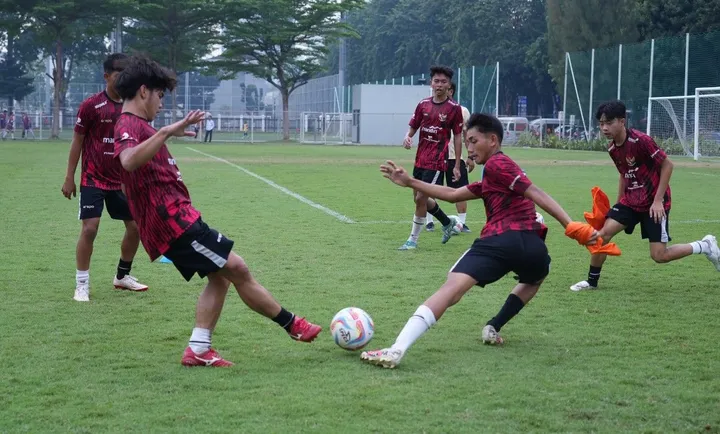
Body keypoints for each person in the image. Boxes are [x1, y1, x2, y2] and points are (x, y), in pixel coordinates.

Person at [112, 54, 322, 367]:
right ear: (144, 91)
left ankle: (198, 348)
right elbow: (128, 161)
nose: (160, 102)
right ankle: (292, 324)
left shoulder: (142, 126)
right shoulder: (130, 124)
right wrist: (167, 132)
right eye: (159, 95)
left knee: (220, 276)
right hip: (174, 222)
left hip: (176, 218)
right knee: (238, 269)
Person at [361, 113, 591, 369]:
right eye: (467, 142)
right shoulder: (494, 176)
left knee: (450, 291)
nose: (468, 148)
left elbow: (535, 192)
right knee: (535, 277)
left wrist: (570, 225)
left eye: (473, 141)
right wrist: (410, 182)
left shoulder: (497, 165)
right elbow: (452, 194)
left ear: (493, 140)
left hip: (500, 241)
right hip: (534, 247)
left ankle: (397, 349)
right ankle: (493, 326)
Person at [570, 100, 720, 292]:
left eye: (608, 122)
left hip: (654, 202)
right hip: (630, 201)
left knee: (659, 255)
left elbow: (668, 165)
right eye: (601, 123)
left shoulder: (641, 141)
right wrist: (618, 205)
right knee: (601, 235)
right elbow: (624, 174)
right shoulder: (612, 149)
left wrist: (658, 201)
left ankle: (704, 245)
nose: (604, 128)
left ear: (622, 121)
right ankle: (591, 282)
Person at [61, 53, 148, 302]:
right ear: (107, 75)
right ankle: (82, 284)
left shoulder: (133, 107)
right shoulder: (91, 105)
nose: (123, 78)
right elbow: (77, 141)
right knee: (90, 229)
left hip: (122, 180)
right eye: (119, 73)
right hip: (93, 178)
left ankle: (122, 276)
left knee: (136, 227)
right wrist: (69, 177)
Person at [399, 65, 465, 250]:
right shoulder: (423, 104)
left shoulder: (454, 109)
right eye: (436, 81)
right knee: (418, 199)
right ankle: (447, 222)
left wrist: (457, 164)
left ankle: (412, 240)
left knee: (421, 198)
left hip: (437, 161)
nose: (439, 85)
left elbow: (458, 136)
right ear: (431, 83)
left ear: (449, 85)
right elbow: (415, 125)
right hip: (420, 159)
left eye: (443, 82)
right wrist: (408, 136)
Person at [426, 81, 473, 233]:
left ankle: (462, 223)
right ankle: (429, 221)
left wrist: (471, 156)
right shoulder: (431, 109)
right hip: (436, 157)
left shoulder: (463, 111)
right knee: (432, 189)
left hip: (455, 157)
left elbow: (468, 136)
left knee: (460, 190)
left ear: (450, 91)